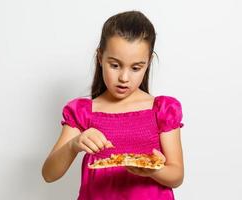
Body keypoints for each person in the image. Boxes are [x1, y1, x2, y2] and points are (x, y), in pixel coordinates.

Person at [42, 10, 184, 200]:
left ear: (148, 63)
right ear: (100, 57)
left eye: (136, 68)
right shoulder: (83, 112)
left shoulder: (162, 110)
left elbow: (177, 176)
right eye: (115, 65)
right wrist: (73, 145)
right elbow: (49, 174)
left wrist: (152, 170)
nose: (124, 78)